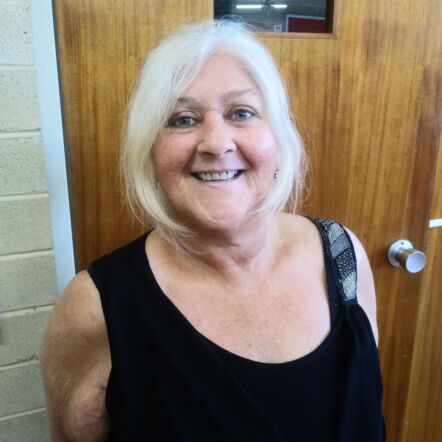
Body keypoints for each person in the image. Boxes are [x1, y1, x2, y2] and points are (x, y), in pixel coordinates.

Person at [40, 20, 385, 442]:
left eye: (242, 113)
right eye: (183, 119)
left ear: (277, 137)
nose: (216, 143)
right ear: (151, 153)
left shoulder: (342, 256)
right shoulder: (94, 309)